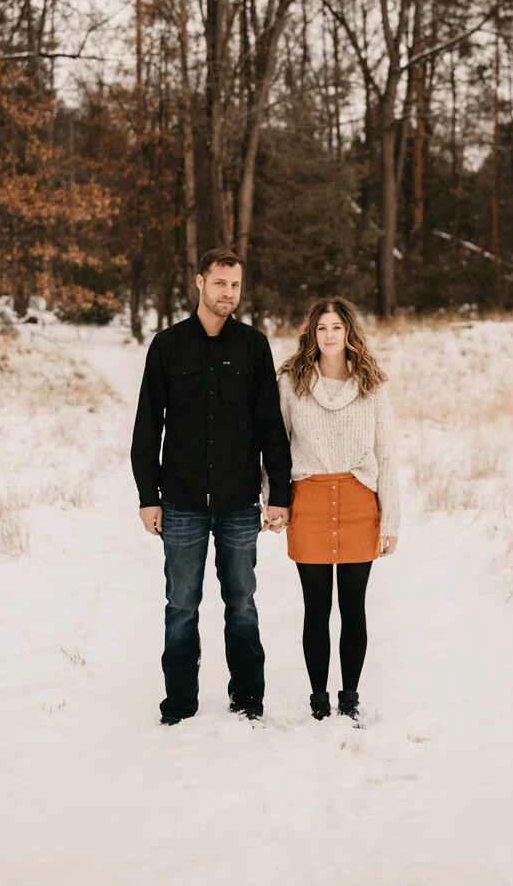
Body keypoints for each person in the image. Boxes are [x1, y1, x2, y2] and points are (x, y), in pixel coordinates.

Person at [131, 249, 292, 725]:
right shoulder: (168, 346)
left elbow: (270, 426)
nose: (229, 293)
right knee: (181, 606)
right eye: (220, 283)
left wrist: (279, 494)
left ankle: (248, 700)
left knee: (242, 604)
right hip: (181, 502)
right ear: (200, 283)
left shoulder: (253, 346)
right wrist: (148, 497)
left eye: (235, 284)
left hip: (239, 501)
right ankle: (179, 705)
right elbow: (147, 427)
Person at [277, 297, 399, 725]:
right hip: (308, 501)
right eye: (322, 328)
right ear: (312, 333)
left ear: (349, 333)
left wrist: (391, 520)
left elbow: (387, 454)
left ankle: (349, 699)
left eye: (336, 327)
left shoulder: (371, 385)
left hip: (359, 502)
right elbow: (275, 448)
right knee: (316, 608)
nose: (329, 335)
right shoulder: (291, 383)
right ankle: (318, 700)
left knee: (353, 607)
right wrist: (273, 500)